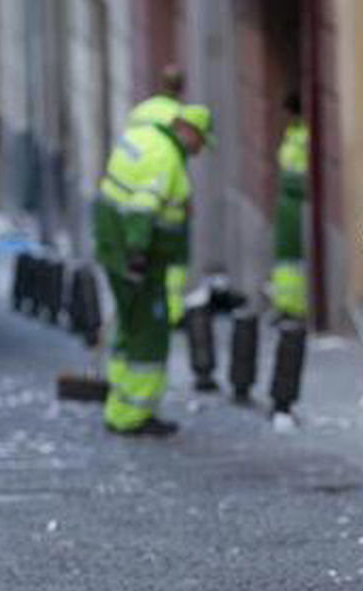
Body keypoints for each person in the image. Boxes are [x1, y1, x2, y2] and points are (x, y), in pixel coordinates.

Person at [95, 104, 214, 437]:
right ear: (187, 130)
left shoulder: (142, 135)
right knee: (149, 337)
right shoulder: (166, 159)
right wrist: (137, 258)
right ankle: (134, 415)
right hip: (139, 263)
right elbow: (142, 208)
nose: (200, 149)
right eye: (201, 140)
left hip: (113, 249)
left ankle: (118, 404)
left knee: (129, 327)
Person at [126, 64, 191, 327]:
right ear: (181, 87)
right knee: (173, 258)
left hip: (134, 189)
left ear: (161, 84)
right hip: (166, 195)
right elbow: (179, 162)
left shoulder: (140, 111)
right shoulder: (180, 116)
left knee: (141, 256)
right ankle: (172, 313)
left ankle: (142, 311)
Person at [265, 92, 310, 428]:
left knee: (292, 264)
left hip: (297, 206)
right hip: (289, 205)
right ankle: (288, 309)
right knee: (286, 265)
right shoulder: (295, 133)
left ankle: (294, 311)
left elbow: (301, 177)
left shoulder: (303, 135)